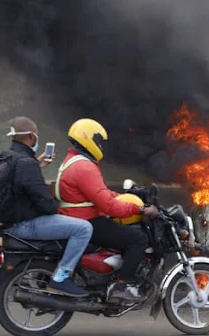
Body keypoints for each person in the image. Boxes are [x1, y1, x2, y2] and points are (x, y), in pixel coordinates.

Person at [55, 118, 159, 304]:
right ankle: (122, 285)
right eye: (98, 141)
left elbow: (98, 193)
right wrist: (140, 208)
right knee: (138, 238)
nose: (100, 145)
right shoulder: (85, 167)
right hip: (88, 222)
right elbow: (109, 207)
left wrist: (117, 195)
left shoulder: (72, 161)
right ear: (87, 139)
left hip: (76, 219)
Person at [1, 116, 93, 297]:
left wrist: (37, 164)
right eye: (36, 135)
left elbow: (19, 183)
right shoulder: (27, 164)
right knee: (83, 228)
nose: (37, 139)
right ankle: (61, 277)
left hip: (9, 221)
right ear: (30, 137)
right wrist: (56, 203)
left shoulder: (8, 157)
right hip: (24, 224)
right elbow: (47, 206)